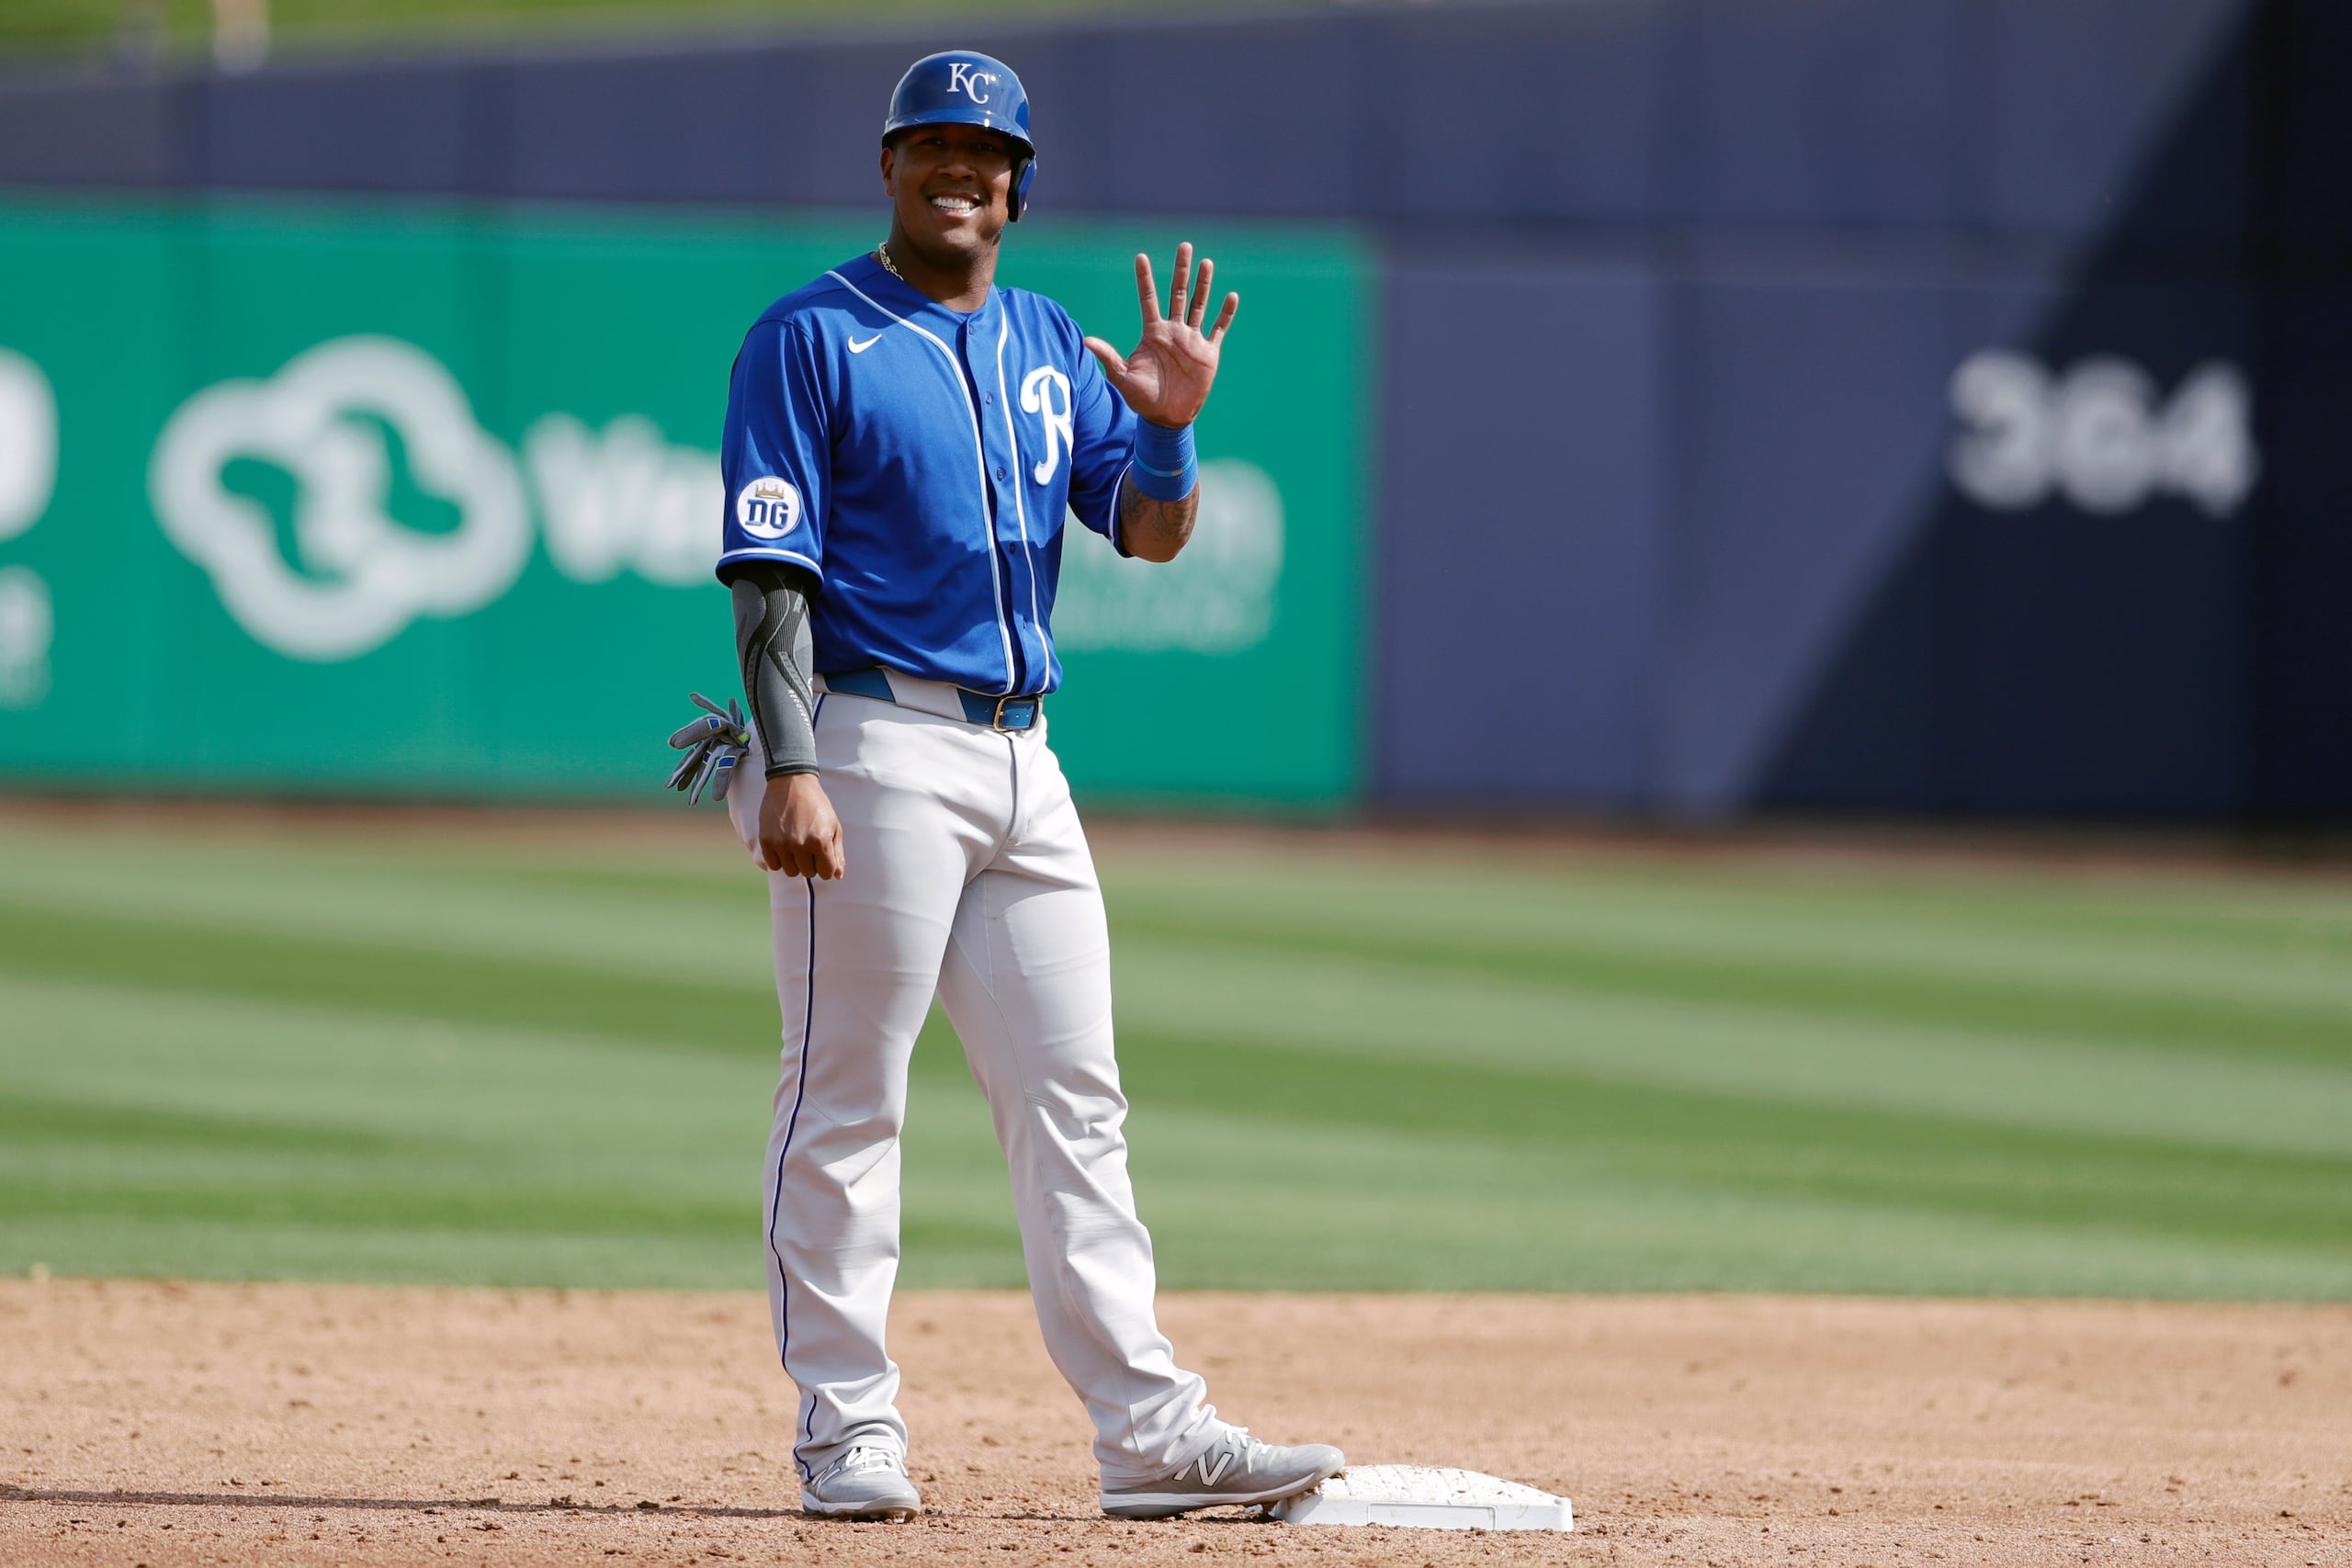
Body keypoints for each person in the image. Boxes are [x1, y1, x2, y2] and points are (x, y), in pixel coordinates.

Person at [709, 49, 1345, 1524]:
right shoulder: (809, 336)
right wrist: (792, 762)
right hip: (870, 745)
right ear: (888, 166)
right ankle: (847, 1426)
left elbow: (1152, 531)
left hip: (1024, 758)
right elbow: (768, 563)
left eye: (986, 152)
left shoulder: (1053, 340)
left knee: (1078, 1105)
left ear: (1018, 183)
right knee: (846, 1096)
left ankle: (1147, 1434)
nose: (961, 170)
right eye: (934, 143)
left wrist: (1174, 422)